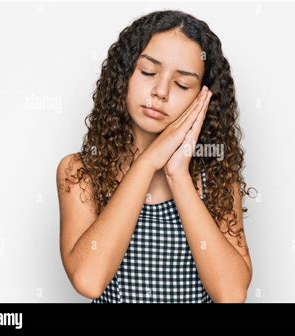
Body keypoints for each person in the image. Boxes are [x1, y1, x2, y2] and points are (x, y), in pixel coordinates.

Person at [56, 10, 253, 303]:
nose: (160, 91)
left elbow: (231, 294)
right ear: (124, 75)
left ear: (203, 98)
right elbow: (88, 280)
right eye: (148, 72)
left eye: (182, 84)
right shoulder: (80, 171)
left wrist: (177, 174)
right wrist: (148, 162)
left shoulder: (215, 179)